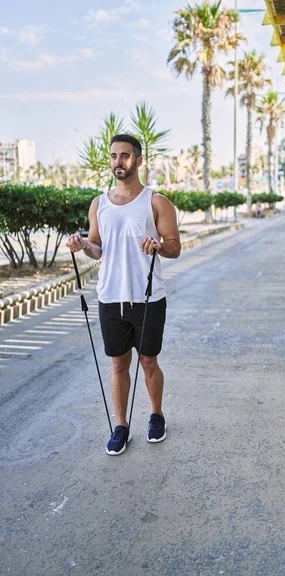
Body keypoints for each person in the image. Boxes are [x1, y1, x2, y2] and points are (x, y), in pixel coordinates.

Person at [66, 134, 181, 456]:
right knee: (118, 365)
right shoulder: (99, 204)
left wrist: (158, 246)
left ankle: (156, 415)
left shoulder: (156, 202)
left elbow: (174, 246)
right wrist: (82, 245)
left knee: (148, 362)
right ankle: (121, 426)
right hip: (110, 297)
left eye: (126, 156)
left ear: (139, 161)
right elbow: (97, 247)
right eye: (114, 156)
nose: (119, 161)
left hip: (148, 298)